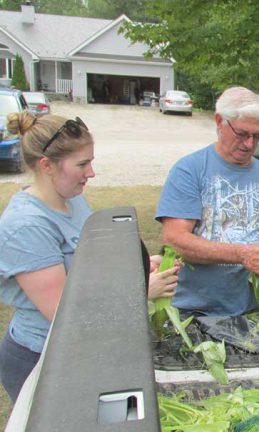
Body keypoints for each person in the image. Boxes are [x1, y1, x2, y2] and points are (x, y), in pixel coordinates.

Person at [0, 112, 180, 403]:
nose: (92, 173)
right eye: (83, 164)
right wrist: (141, 292)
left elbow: (90, 269)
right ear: (47, 165)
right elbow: (64, 314)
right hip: (41, 359)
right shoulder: (26, 226)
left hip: (84, 350)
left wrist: (138, 269)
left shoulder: (72, 199)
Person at [155, 86, 259, 316]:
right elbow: (175, 241)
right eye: (242, 134)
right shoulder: (189, 170)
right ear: (219, 121)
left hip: (249, 312)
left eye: (257, 136)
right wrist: (242, 254)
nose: (250, 144)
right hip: (193, 313)